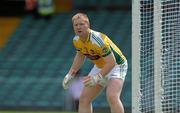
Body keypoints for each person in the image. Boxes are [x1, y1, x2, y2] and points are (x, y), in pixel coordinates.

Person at [62, 13, 128, 113]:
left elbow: (112, 62)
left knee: (112, 96)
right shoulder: (76, 40)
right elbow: (80, 55)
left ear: (88, 25)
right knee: (84, 99)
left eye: (81, 24)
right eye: (76, 25)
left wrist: (97, 77)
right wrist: (70, 74)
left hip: (117, 65)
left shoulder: (98, 39)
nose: (78, 27)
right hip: (100, 66)